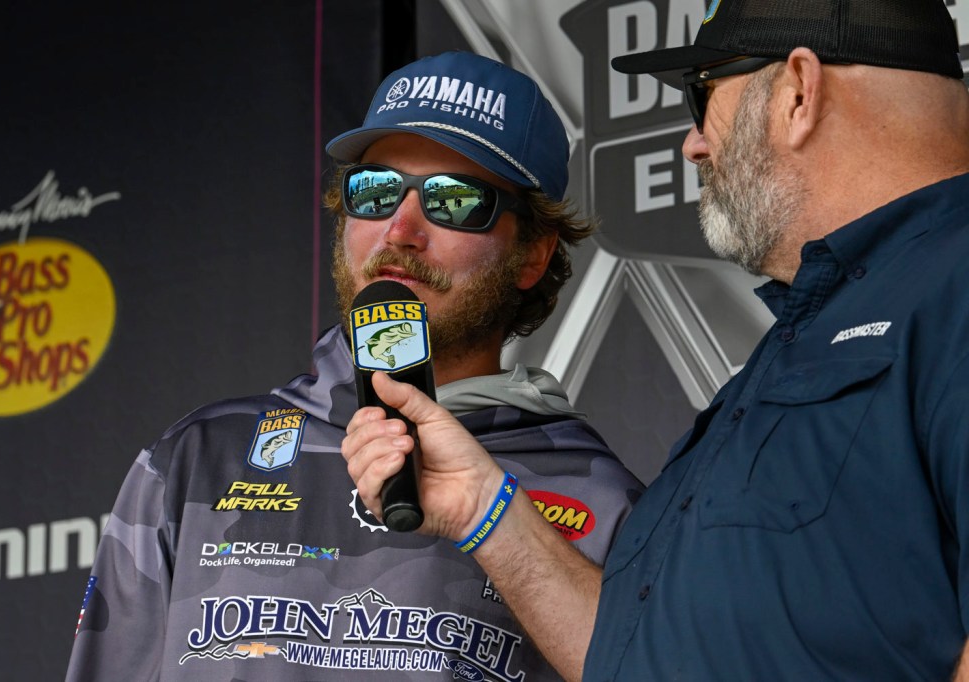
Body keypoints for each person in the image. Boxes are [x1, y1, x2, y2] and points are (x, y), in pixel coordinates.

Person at [342, 0, 969, 679]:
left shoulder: (953, 290)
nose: (692, 144)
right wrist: (485, 510)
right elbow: (639, 658)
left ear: (798, 91)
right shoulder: (799, 340)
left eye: (703, 97)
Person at [64, 51, 644, 682]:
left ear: (533, 254)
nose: (400, 229)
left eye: (453, 200)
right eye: (375, 191)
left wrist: (496, 519)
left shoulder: (605, 502)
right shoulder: (199, 457)